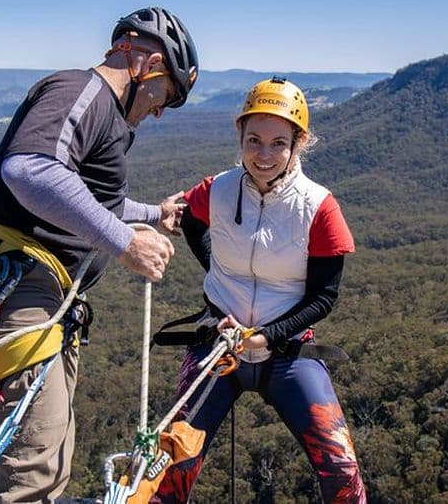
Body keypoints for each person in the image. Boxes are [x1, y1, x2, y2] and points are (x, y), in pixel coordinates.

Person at [0, 7, 198, 502]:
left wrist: (150, 215)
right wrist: (124, 243)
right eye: (166, 95)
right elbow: (31, 169)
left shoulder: (105, 115)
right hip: (15, 284)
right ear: (147, 62)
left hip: (31, 288)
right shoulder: (82, 90)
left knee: (51, 457)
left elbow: (89, 197)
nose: (160, 111)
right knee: (32, 469)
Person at [152, 77, 367, 503]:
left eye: (278, 143)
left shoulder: (319, 207)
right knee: (170, 466)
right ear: (240, 136)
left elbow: (325, 296)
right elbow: (192, 221)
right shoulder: (217, 189)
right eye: (254, 140)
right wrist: (217, 273)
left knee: (342, 471)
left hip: (287, 353)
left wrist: (269, 334)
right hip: (218, 344)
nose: (263, 155)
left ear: (297, 144)